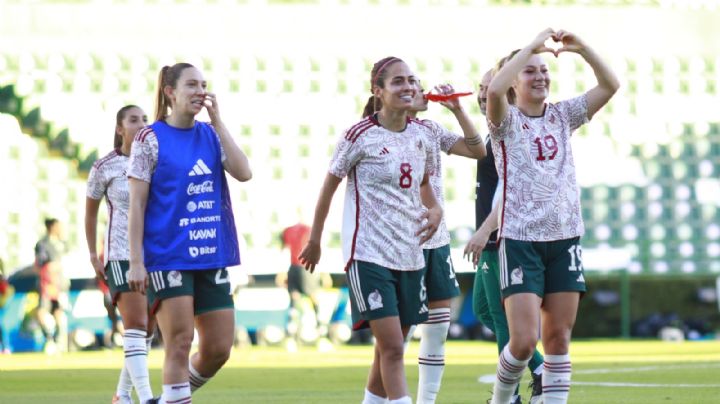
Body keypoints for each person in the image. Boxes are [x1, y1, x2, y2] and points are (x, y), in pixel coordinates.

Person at [465, 29, 619, 404]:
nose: (540, 77)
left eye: (543, 70)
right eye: (530, 71)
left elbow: (610, 85)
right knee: (521, 342)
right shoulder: (504, 122)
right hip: (520, 241)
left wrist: (583, 49)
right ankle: (501, 400)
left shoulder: (563, 115)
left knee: (558, 339)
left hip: (565, 238)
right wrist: (532, 46)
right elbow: (496, 90)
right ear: (516, 80)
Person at [299, 56, 442, 404]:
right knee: (393, 347)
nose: (407, 86)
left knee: (389, 348)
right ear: (377, 91)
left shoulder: (421, 135)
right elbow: (328, 187)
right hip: (368, 255)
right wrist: (315, 240)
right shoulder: (359, 135)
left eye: (411, 79)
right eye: (397, 81)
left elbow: (425, 185)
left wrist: (435, 208)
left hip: (410, 255)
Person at [127, 62, 252, 404]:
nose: (201, 92)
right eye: (192, 85)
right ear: (170, 92)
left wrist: (219, 122)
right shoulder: (148, 138)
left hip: (211, 253)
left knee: (218, 348)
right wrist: (136, 262)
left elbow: (244, 172)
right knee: (180, 343)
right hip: (168, 255)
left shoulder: (211, 134)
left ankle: (169, 399)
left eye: (204, 85)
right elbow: (135, 205)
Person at [399, 81, 486, 404]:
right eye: (412, 85)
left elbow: (478, 151)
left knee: (437, 329)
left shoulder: (432, 129)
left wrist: (459, 109)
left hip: (435, 241)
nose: (422, 91)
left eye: (419, 85)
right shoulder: (376, 134)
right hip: (398, 244)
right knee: (399, 334)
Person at [468, 67, 544, 404]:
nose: (483, 93)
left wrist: (486, 230)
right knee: (484, 309)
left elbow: (512, 190)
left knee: (500, 318)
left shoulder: (508, 130)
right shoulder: (493, 131)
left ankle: (510, 395)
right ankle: (539, 368)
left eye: (489, 87)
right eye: (481, 88)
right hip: (493, 237)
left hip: (501, 237)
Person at [85, 105, 155, 404]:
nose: (141, 125)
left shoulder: (155, 160)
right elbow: (90, 213)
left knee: (147, 329)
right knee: (137, 324)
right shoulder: (105, 166)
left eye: (144, 120)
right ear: (119, 128)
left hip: (153, 253)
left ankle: (122, 395)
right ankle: (148, 397)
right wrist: (92, 254)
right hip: (120, 254)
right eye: (133, 120)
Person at [33, 217, 69, 354]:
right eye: (58, 226)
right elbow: (39, 265)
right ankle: (50, 339)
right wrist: (49, 269)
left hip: (61, 284)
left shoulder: (63, 243)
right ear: (52, 227)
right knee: (42, 311)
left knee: (59, 312)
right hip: (47, 284)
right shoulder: (42, 244)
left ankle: (60, 343)